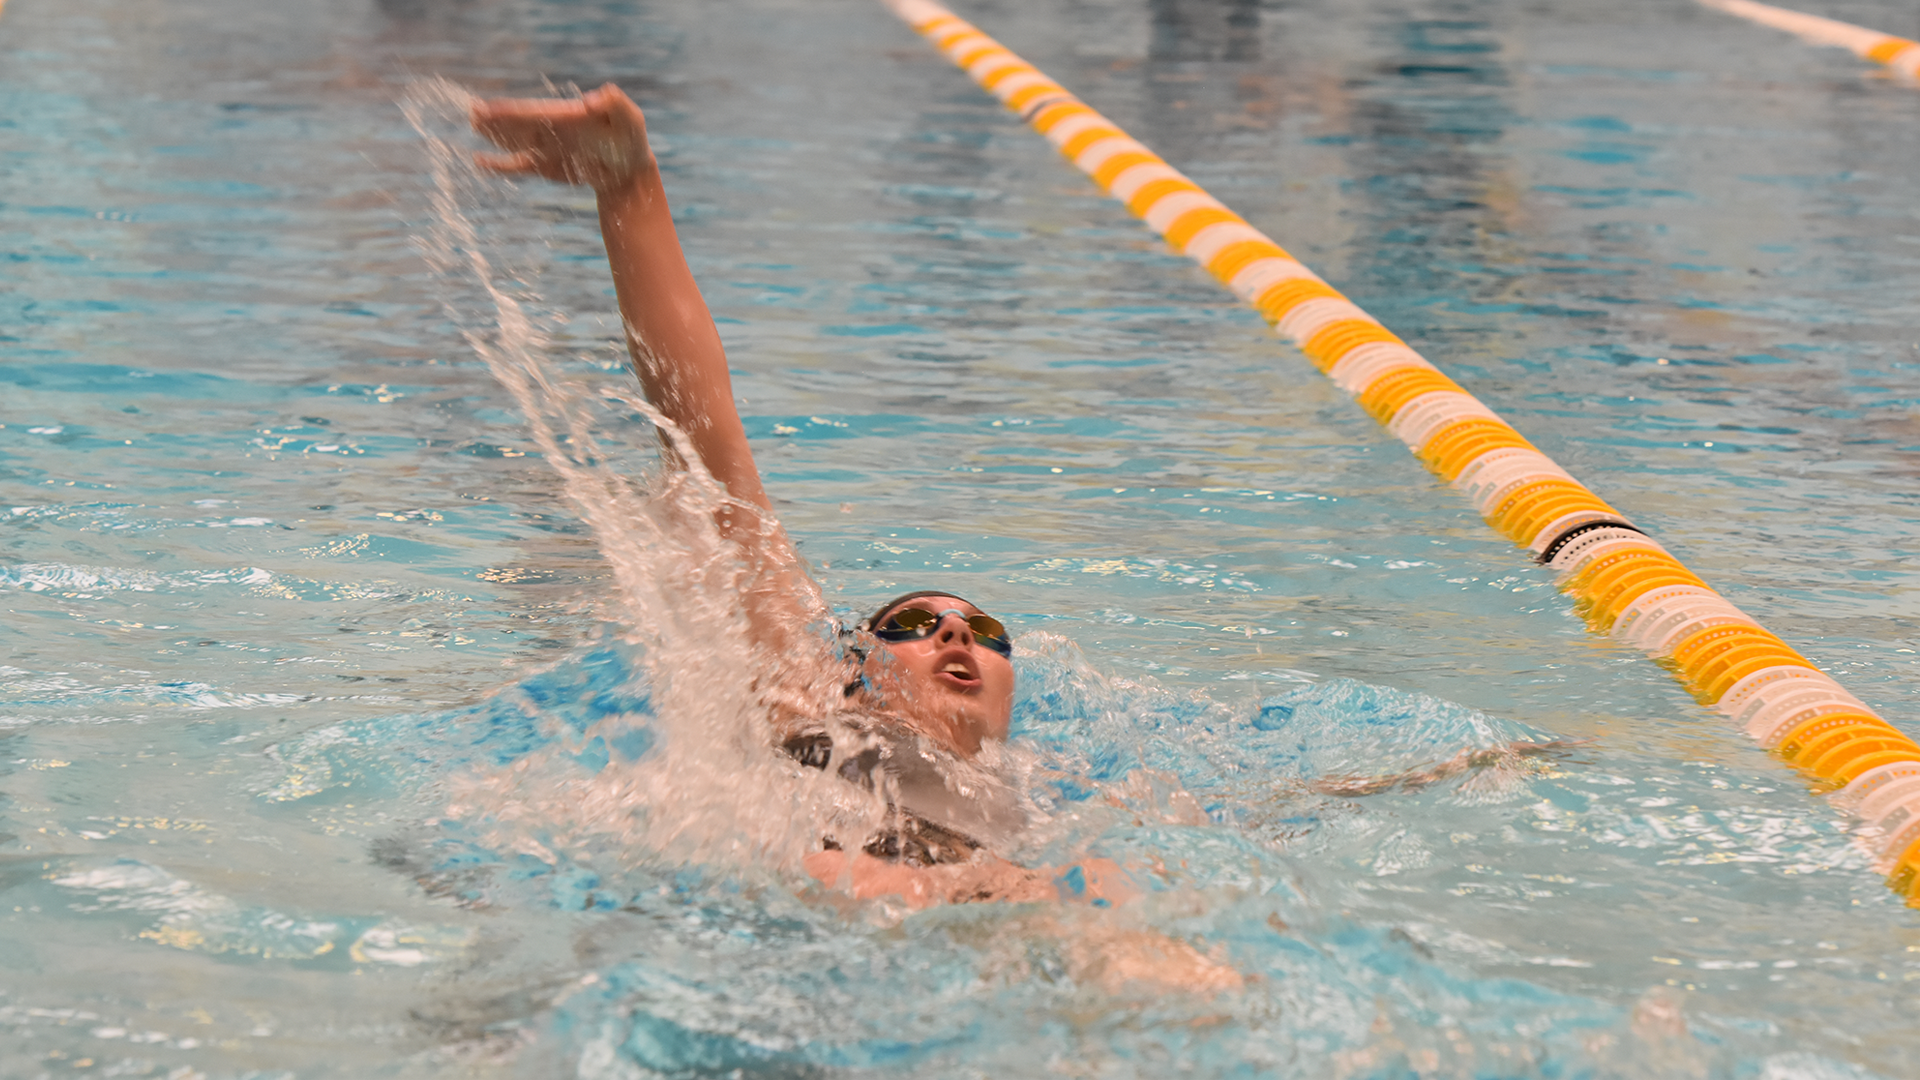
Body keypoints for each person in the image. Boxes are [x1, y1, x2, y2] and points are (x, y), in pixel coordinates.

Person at [468, 83, 1137, 912]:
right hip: (836, 889)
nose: (958, 630)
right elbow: (706, 436)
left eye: (984, 631)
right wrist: (630, 188)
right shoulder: (817, 700)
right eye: (915, 626)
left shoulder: (1048, 789)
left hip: (972, 913)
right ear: (855, 669)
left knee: (1112, 893)